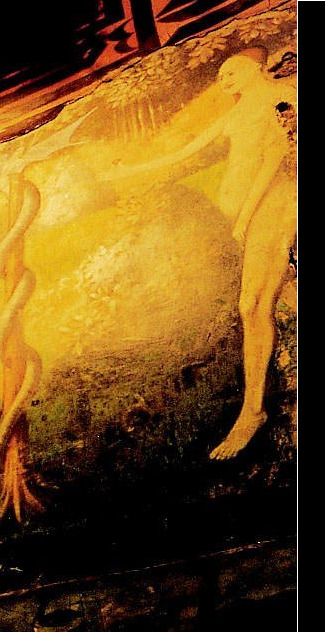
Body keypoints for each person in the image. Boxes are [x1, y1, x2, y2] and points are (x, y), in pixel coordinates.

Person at [116, 47, 296, 460]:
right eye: (221, 75)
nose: (224, 79)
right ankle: (258, 405)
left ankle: (252, 412)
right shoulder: (236, 113)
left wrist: (244, 216)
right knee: (271, 297)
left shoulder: (282, 94)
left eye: (231, 70)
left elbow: (275, 158)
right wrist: (128, 170)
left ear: (256, 66)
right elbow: (184, 151)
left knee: (252, 304)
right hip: (255, 215)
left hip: (274, 204)